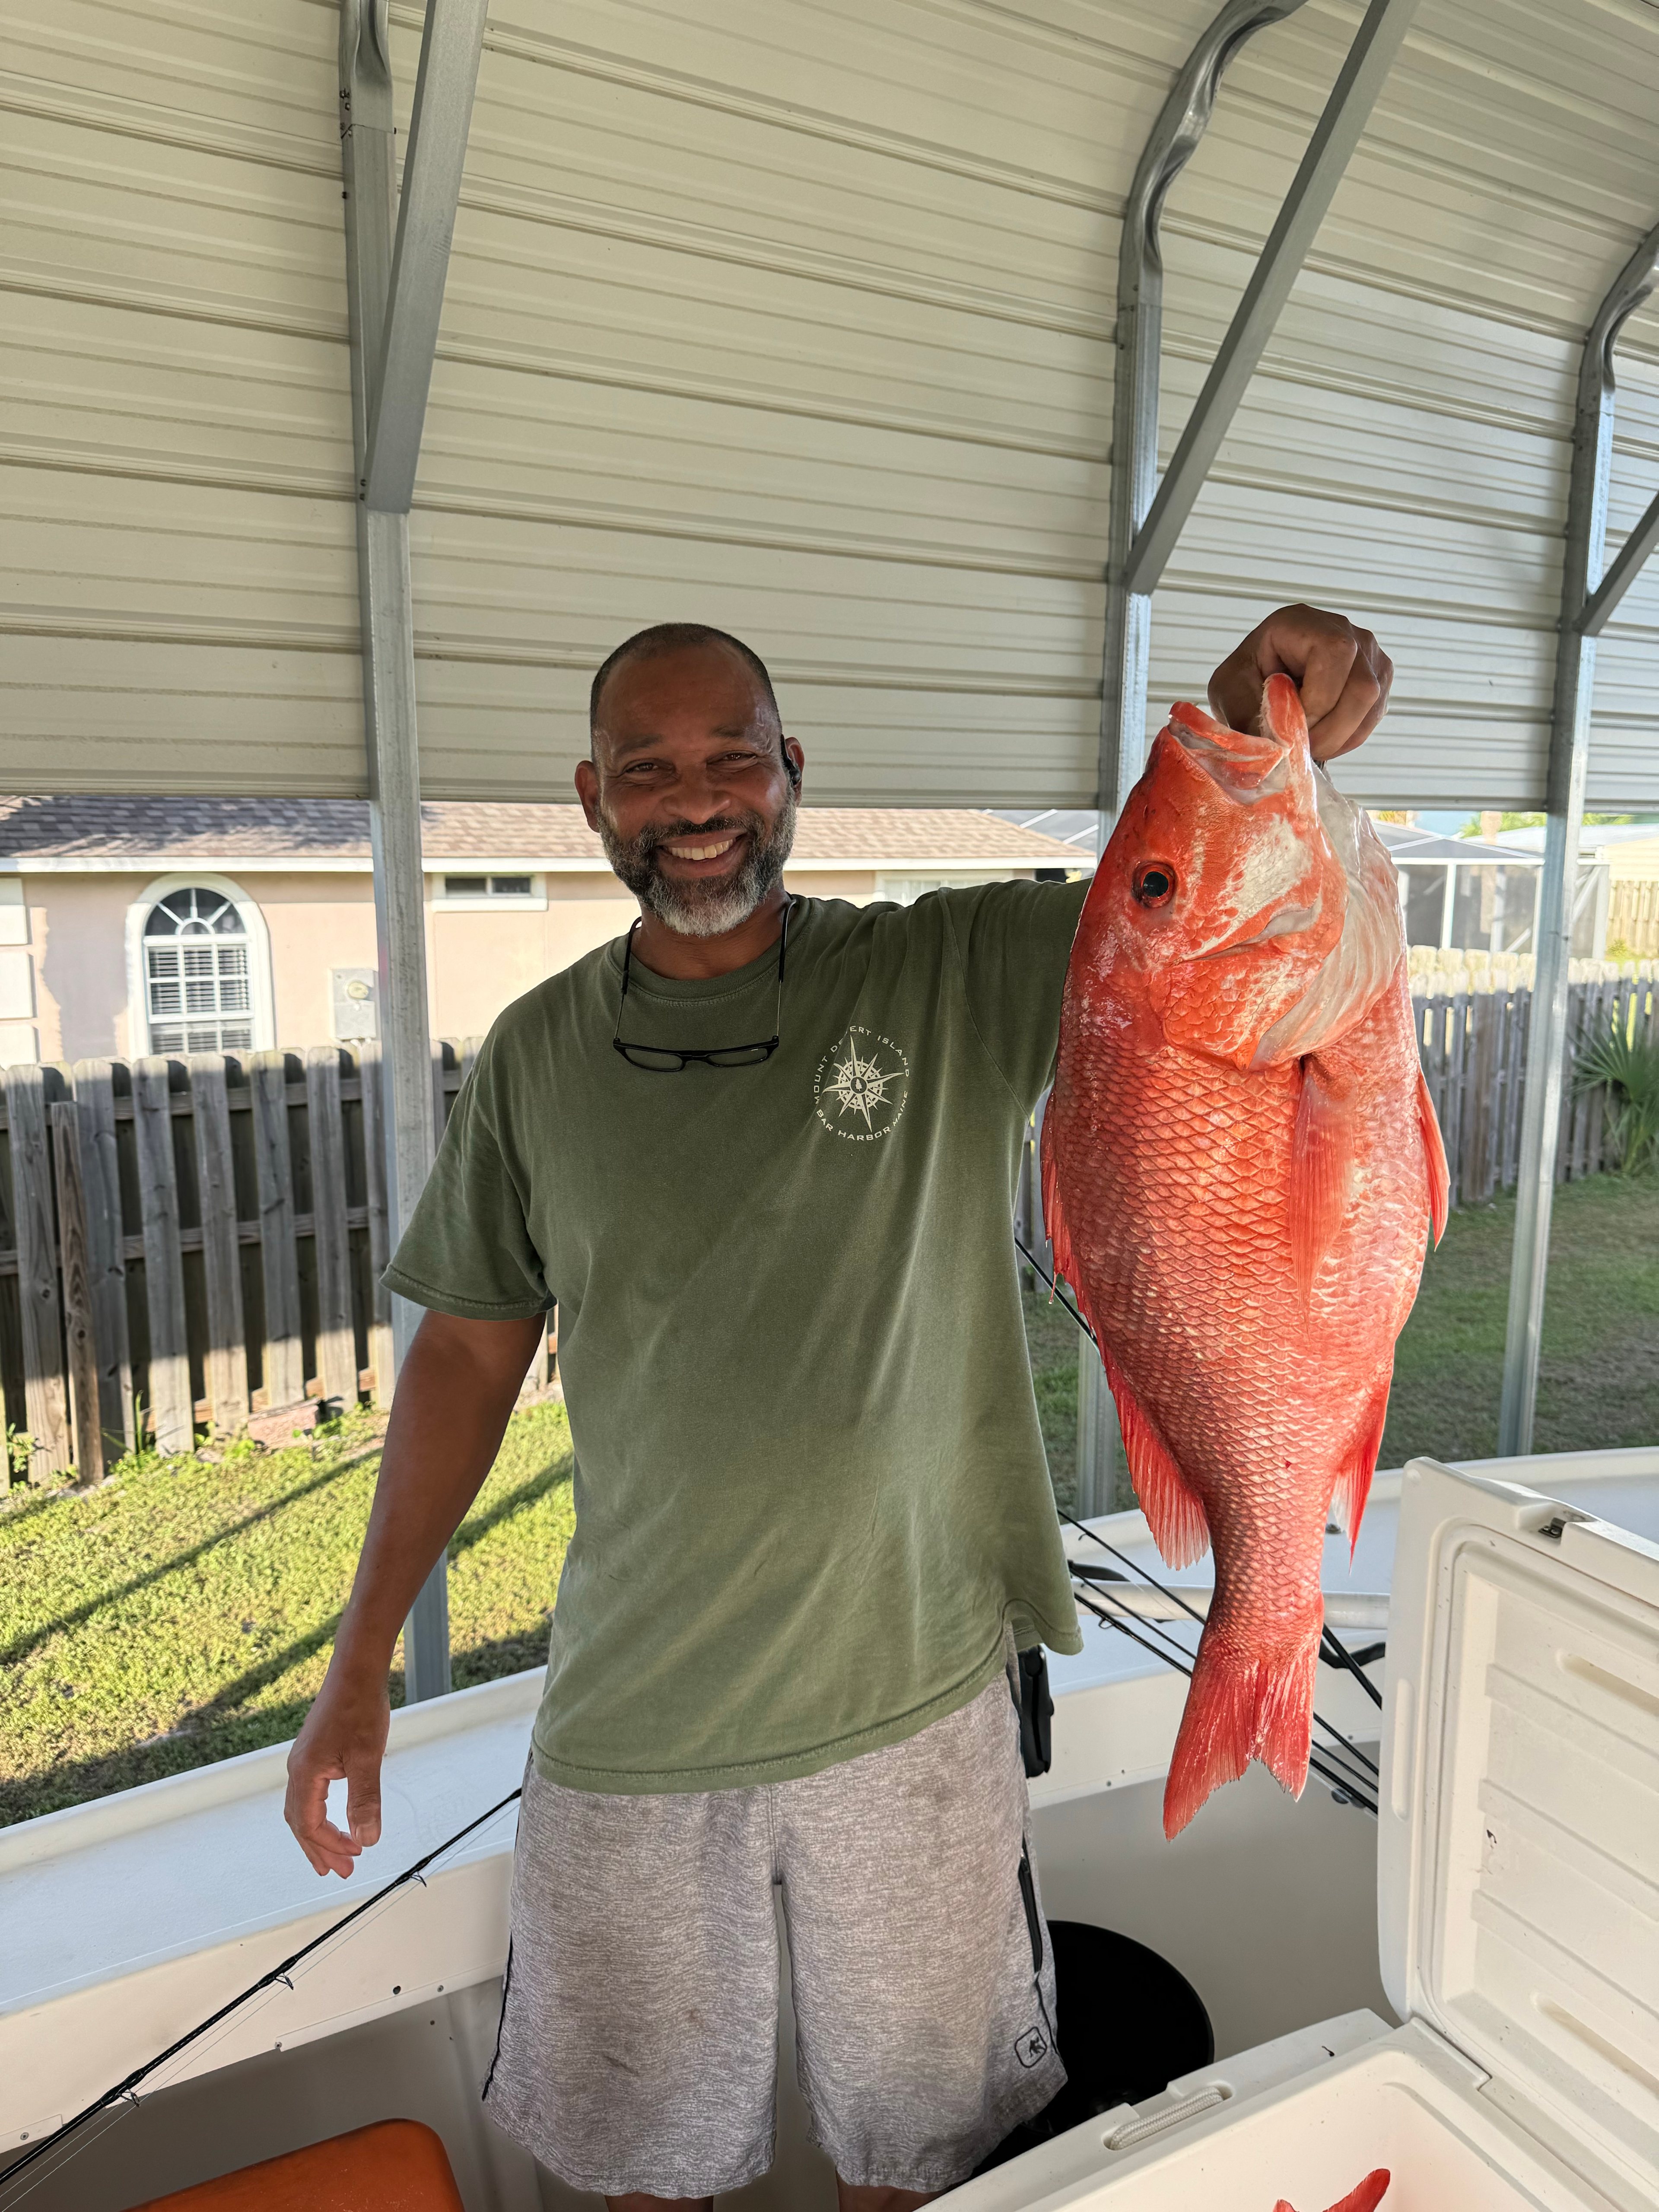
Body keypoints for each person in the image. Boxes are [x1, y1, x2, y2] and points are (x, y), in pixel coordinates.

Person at [284, 605, 1391, 2212]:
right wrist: (358, 1663)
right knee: (637, 2168)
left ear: (792, 773)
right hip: (633, 1720)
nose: (699, 794)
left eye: (735, 752)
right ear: (591, 798)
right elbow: (464, 1357)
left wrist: (1254, 703)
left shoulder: (942, 971)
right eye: (651, 767)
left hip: (919, 1703)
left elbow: (1176, 923)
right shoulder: (533, 1061)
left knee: (934, 2162)